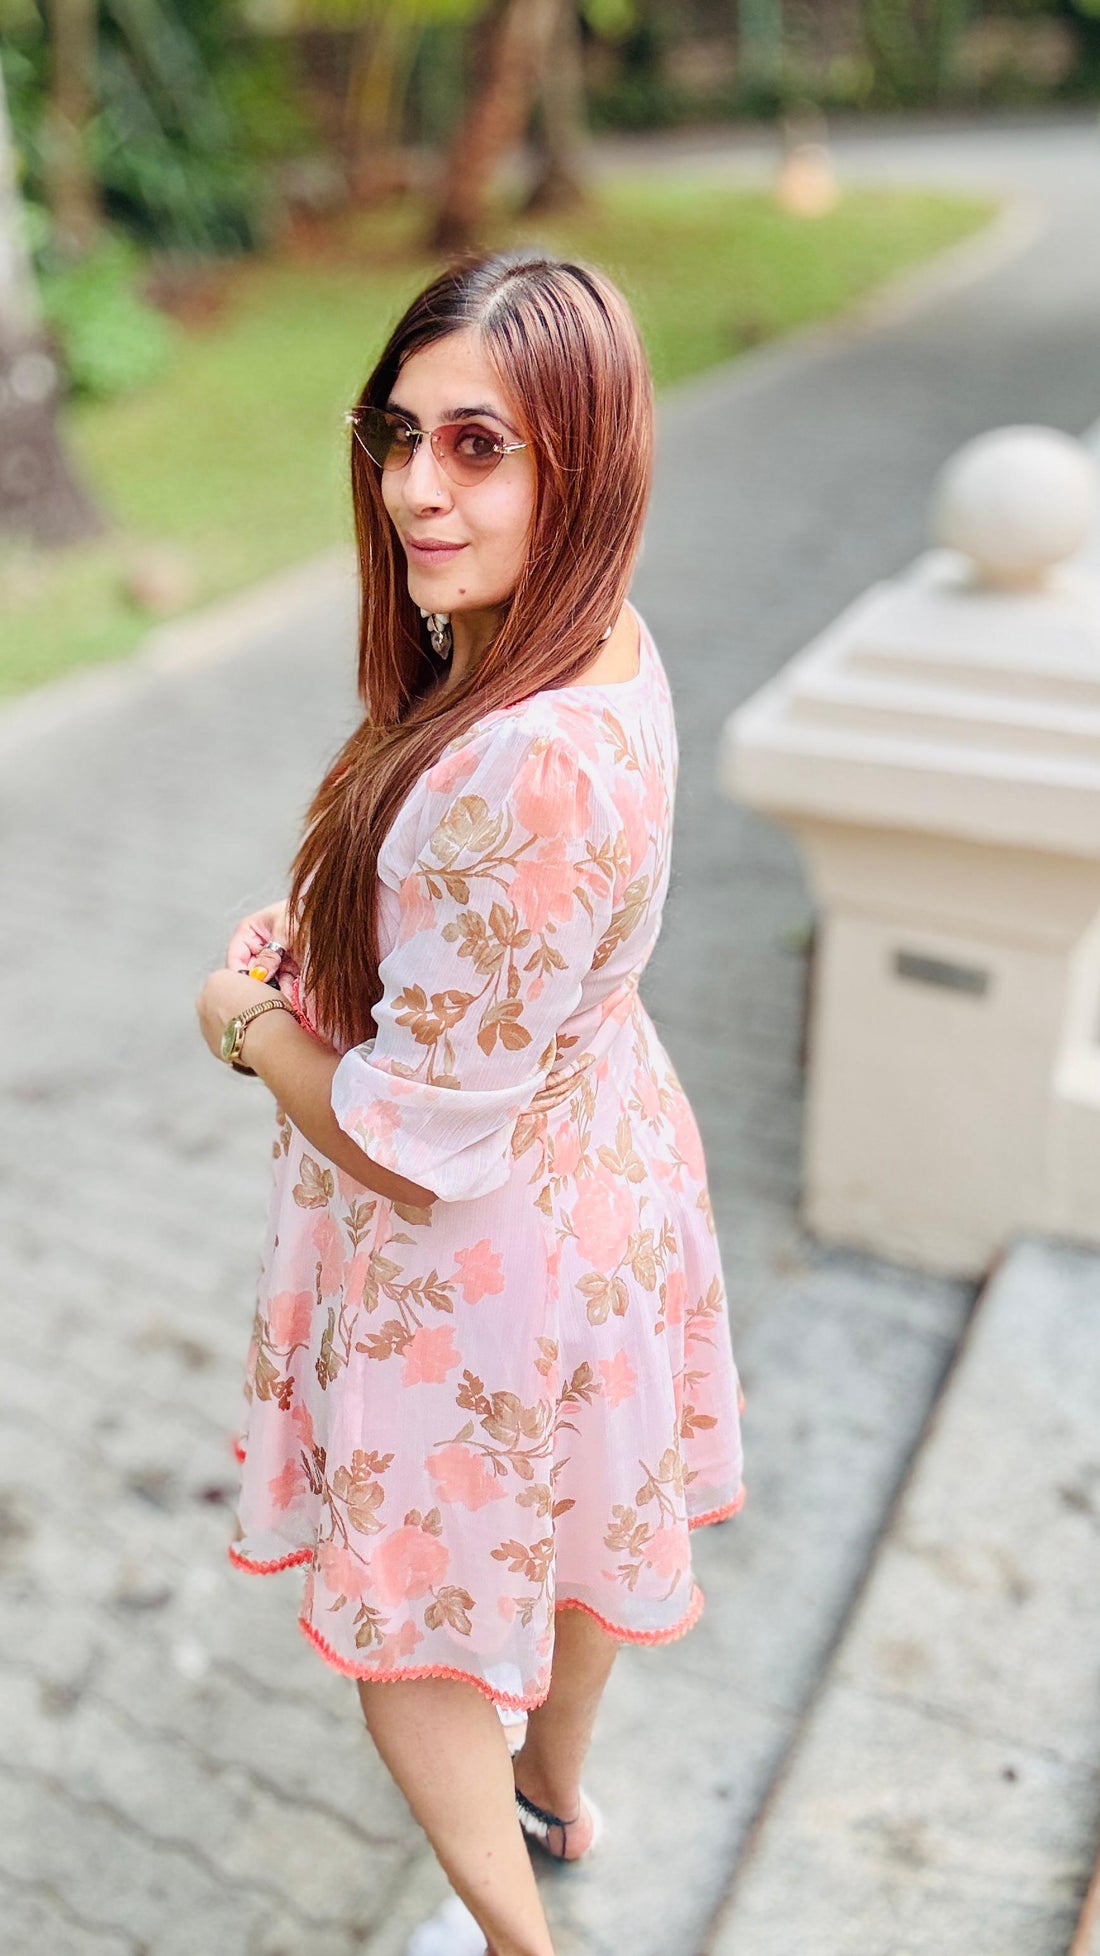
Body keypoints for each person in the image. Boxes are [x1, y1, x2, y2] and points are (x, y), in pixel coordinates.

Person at [195, 249, 745, 1956]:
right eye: (399, 432)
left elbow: (411, 1142)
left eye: (479, 446)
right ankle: (559, 1795)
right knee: (578, 1525)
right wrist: (348, 949)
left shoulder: (517, 762)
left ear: (580, 458)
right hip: (598, 1169)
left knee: (421, 1644)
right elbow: (498, 963)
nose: (416, 487)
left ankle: (523, 1941)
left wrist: (238, 1023)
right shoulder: (593, 638)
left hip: (481, 1264)